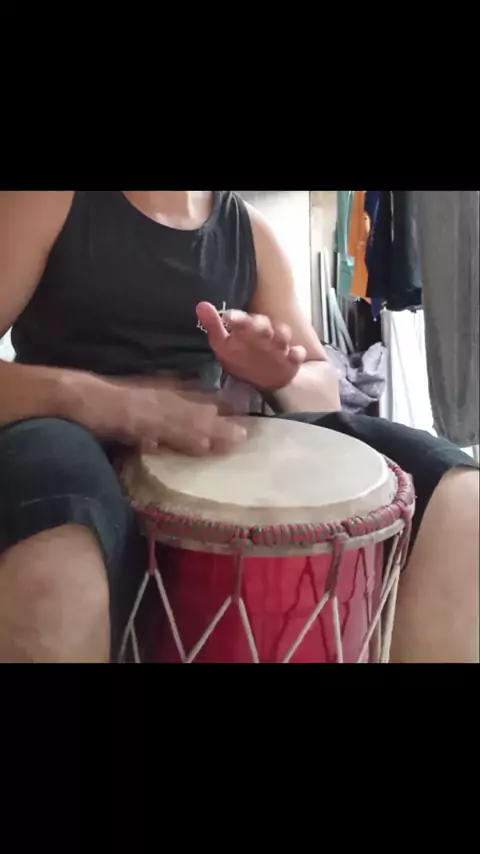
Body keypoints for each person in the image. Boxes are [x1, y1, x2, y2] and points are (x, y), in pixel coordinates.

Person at [0, 190, 478, 664]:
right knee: (55, 558)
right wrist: (102, 400)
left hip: (208, 438)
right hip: (61, 434)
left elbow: (322, 392)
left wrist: (277, 376)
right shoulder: (48, 201)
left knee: (462, 500)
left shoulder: (249, 232)